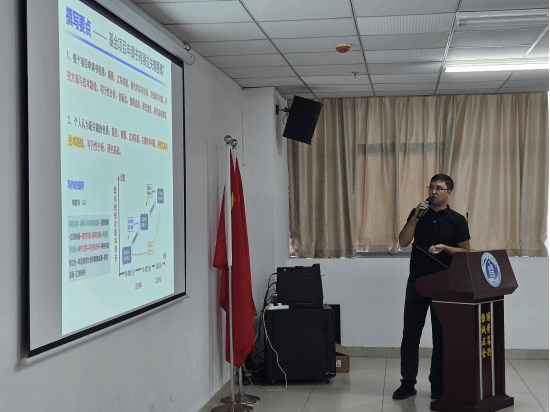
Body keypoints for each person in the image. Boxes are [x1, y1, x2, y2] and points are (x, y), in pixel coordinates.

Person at [392, 174, 471, 401]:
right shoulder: (418, 214)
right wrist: (415, 217)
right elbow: (403, 241)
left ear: (449, 193)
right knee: (410, 335)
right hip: (416, 282)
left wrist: (445, 248)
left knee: (441, 336)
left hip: (445, 285)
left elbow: (465, 252)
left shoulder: (457, 220)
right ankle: (408, 383)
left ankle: (438, 383)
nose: (433, 192)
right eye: (431, 187)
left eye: (438, 188)